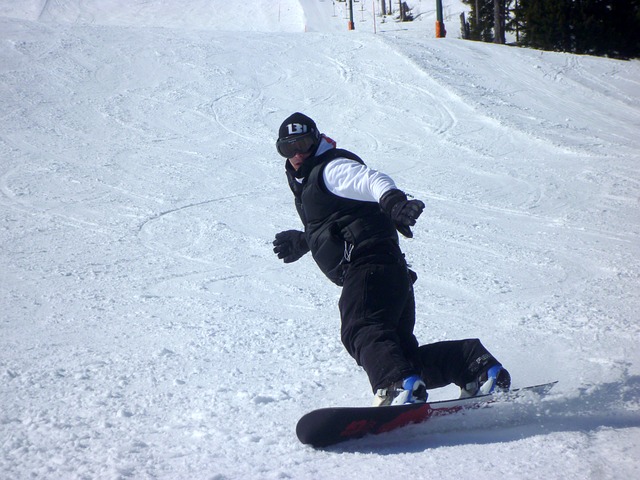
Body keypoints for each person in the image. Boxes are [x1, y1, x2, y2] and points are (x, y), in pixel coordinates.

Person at [272, 112, 511, 406]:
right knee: (402, 357)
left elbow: (371, 180)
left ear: (317, 140)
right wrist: (304, 241)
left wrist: (394, 202)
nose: (297, 154)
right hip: (390, 273)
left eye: (303, 144)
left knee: (361, 328)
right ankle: (475, 366)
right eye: (288, 148)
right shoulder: (311, 183)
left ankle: (396, 387)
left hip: (368, 267)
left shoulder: (331, 168)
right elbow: (339, 222)